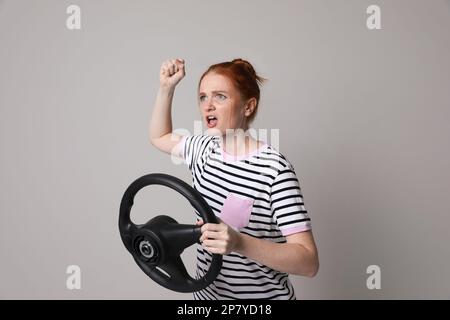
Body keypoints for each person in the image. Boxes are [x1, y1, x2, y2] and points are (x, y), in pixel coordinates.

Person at [149, 58, 319, 300]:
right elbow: (160, 136)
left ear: (248, 107)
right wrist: (167, 88)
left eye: (220, 96)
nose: (208, 105)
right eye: (203, 97)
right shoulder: (203, 149)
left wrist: (239, 243)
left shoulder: (274, 170)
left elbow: (308, 262)